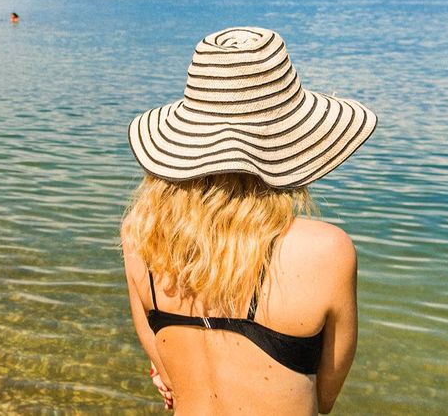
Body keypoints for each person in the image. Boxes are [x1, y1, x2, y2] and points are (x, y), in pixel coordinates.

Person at [121, 27, 377, 414]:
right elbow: (324, 398)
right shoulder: (324, 250)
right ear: (291, 141)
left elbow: (167, 373)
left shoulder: (141, 236)